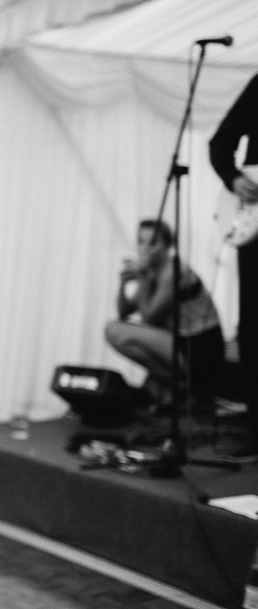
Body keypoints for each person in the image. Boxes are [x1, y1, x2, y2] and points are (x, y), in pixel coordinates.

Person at [104, 219, 224, 409]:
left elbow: (150, 317)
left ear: (168, 245)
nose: (145, 248)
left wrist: (142, 277)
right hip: (181, 341)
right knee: (114, 330)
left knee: (115, 331)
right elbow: (123, 312)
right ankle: (173, 383)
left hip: (200, 347)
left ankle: (178, 383)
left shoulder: (174, 272)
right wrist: (123, 283)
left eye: (153, 242)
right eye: (140, 241)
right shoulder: (153, 271)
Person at [210, 72, 258, 461]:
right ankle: (254, 430)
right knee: (252, 325)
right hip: (254, 225)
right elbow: (220, 143)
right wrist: (234, 178)